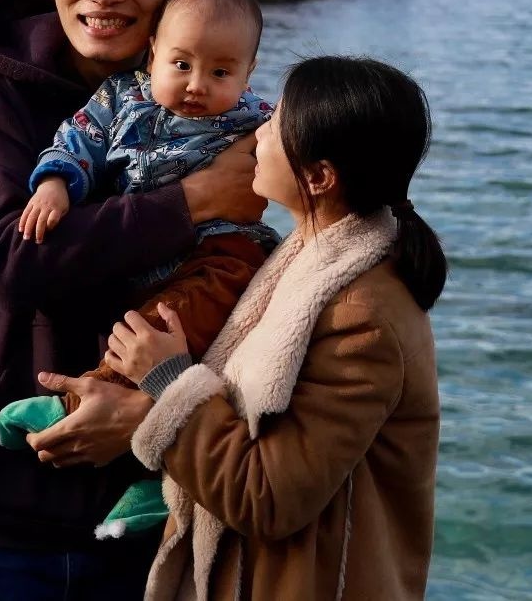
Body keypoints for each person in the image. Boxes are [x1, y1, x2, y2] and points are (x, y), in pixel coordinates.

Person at [0, 0, 267, 599]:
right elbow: (10, 264)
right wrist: (194, 198)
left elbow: (253, 283)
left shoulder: (219, 102)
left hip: (149, 508)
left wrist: (154, 413)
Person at [97, 55, 446, 599]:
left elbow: (269, 498)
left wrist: (168, 382)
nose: (257, 128)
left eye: (277, 122)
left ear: (319, 177)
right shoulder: (311, 255)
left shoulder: (363, 318)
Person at [1, 0, 279, 535]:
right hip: (142, 254)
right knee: (144, 332)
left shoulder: (257, 119)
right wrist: (56, 183)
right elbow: (77, 140)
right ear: (152, 53)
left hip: (220, 252)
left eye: (221, 73)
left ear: (247, 75)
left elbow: (311, 156)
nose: (197, 85)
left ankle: (84, 413)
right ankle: (155, 470)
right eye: (181, 64)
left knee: (170, 329)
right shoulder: (121, 99)